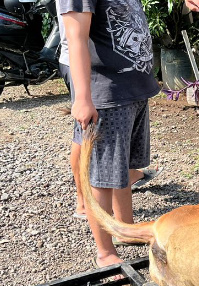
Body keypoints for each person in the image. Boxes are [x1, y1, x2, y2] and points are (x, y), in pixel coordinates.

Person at [60, 0, 168, 268]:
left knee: (124, 169)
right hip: (106, 95)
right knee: (102, 179)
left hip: (132, 89)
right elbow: (76, 37)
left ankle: (125, 229)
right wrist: (83, 97)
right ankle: (105, 252)